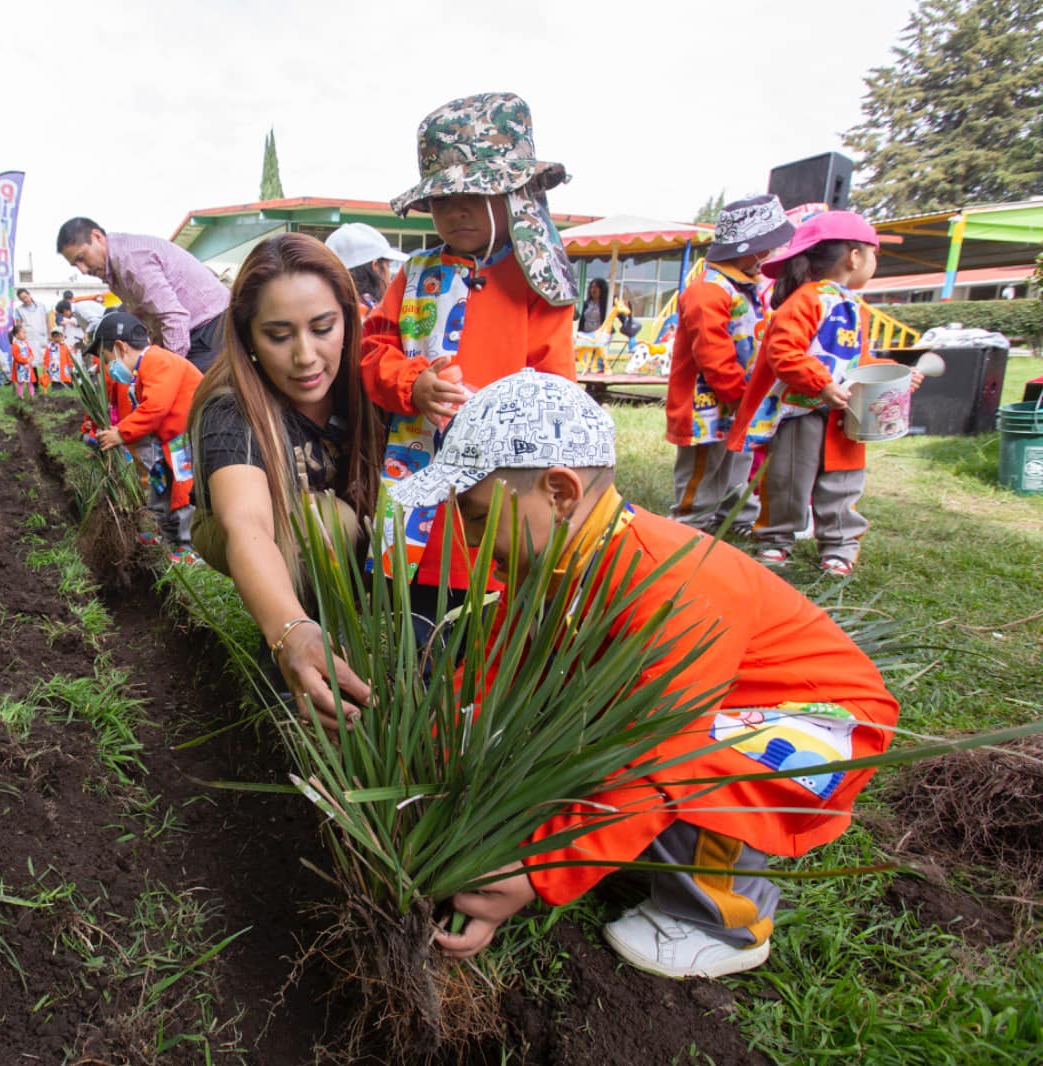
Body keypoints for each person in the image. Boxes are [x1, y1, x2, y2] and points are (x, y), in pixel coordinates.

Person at [385, 370, 899, 978]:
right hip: (701, 710)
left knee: (693, 756)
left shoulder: (671, 585)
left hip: (815, 724)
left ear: (559, 492)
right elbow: (496, 675)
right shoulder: (548, 563)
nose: (468, 539)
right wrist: (440, 761)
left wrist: (537, 871)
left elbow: (655, 753)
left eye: (473, 516)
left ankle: (726, 921)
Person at [363, 91, 578, 599]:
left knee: (487, 590)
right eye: (441, 200)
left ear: (514, 194)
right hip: (414, 468)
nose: (456, 211)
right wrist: (411, 384)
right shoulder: (413, 275)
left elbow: (556, 391)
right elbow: (373, 351)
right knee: (412, 600)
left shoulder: (537, 283)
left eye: (474, 196)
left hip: (503, 483)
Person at [189, 234, 386, 727]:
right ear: (248, 336)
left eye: (323, 328)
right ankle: (289, 664)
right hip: (260, 528)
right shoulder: (231, 408)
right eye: (278, 335)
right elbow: (246, 521)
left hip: (351, 525)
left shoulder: (372, 383)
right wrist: (291, 630)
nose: (305, 356)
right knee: (327, 524)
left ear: (348, 318)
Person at [727, 212, 922, 577]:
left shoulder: (853, 306)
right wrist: (821, 384)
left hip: (847, 412)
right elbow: (783, 352)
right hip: (801, 412)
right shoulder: (806, 300)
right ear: (854, 256)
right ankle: (774, 538)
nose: (874, 263)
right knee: (787, 479)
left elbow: (856, 358)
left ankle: (838, 546)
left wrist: (893, 373)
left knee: (843, 481)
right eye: (874, 254)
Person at [665, 194, 793, 533]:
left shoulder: (745, 287)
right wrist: (737, 393)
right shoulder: (707, 290)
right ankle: (689, 524)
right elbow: (711, 350)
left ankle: (735, 518)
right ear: (753, 249)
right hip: (707, 405)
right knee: (705, 467)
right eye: (770, 247)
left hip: (741, 400)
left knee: (739, 459)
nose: (773, 254)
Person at [86, 311, 205, 560]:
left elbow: (155, 407)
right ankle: (166, 534)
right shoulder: (142, 370)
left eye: (107, 360)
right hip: (167, 442)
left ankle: (189, 547)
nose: (109, 368)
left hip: (183, 441)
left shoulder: (159, 362)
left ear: (120, 347)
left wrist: (122, 432)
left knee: (184, 490)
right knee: (159, 484)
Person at [56, 218, 231, 371]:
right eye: (75, 265)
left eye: (82, 257)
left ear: (97, 237)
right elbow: (152, 319)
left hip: (210, 329)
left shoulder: (131, 260)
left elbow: (174, 318)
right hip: (194, 331)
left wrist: (167, 371)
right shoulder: (114, 271)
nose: (83, 270)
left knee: (196, 400)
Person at [324, 222, 409, 313]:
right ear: (375, 266)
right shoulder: (376, 319)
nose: (390, 279)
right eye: (388, 266)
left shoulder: (326, 309)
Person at [10, 323, 37, 400]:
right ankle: (20, 396)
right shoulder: (15, 345)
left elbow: (30, 351)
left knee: (30, 381)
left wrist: (31, 357)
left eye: (25, 332)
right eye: (23, 333)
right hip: (20, 367)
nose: (25, 334)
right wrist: (25, 360)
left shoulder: (25, 343)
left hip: (28, 366)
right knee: (21, 382)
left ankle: (32, 395)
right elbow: (16, 356)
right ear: (17, 335)